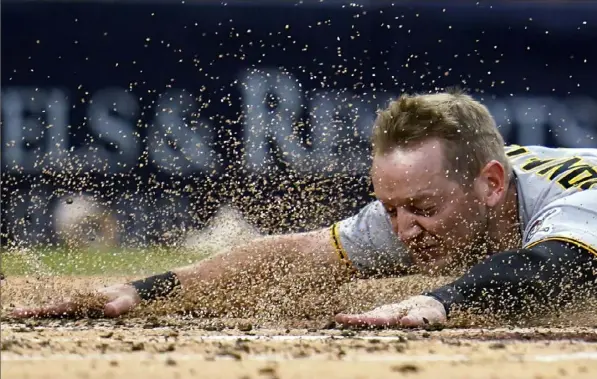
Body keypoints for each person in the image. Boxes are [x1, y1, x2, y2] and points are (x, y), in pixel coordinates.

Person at [12, 89, 597, 327]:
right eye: (391, 210)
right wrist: (147, 290)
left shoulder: (576, 201)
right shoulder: (436, 202)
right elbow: (295, 258)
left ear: (492, 184)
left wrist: (436, 302)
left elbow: (556, 270)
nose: (405, 230)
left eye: (420, 208)